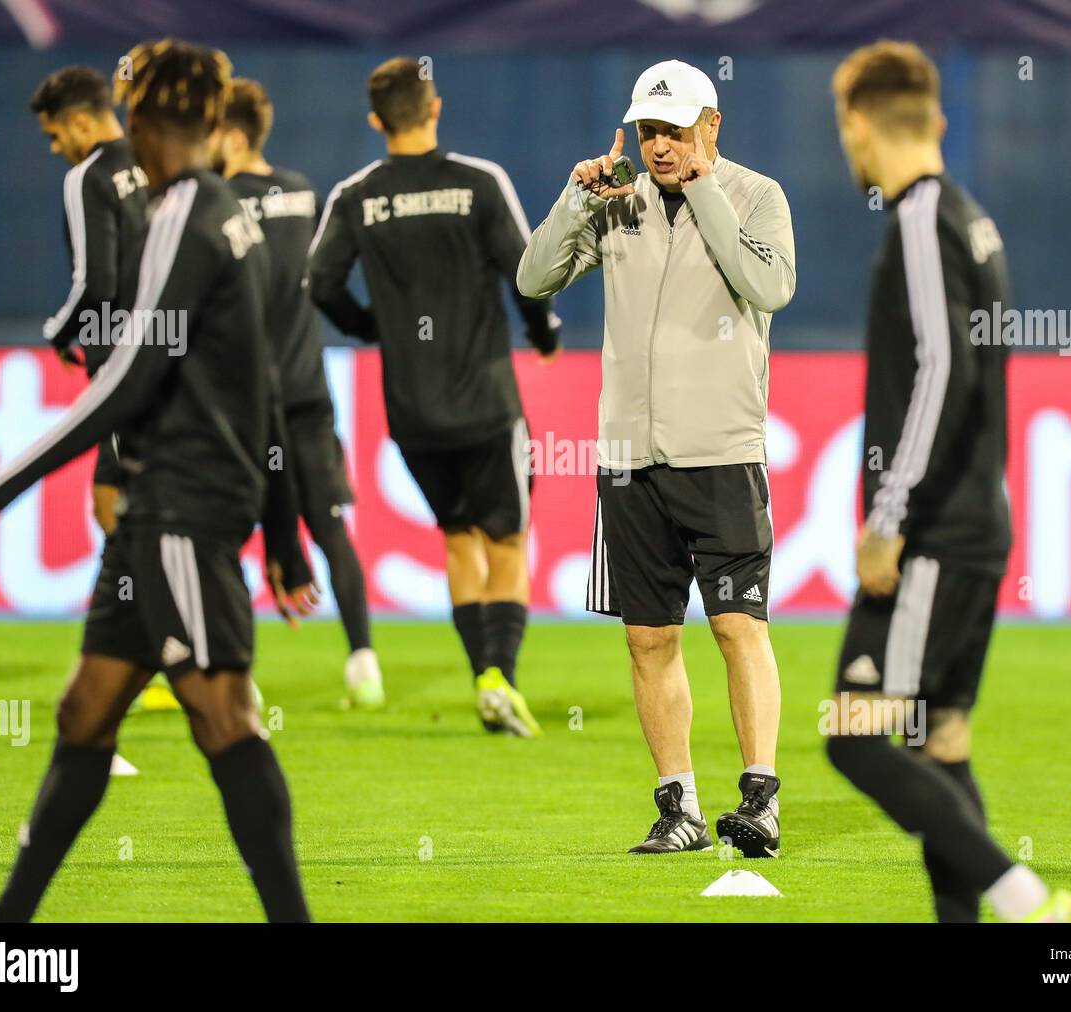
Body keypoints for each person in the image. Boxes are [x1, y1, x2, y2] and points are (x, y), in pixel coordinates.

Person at [0, 38, 318, 922]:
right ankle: (5, 929)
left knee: (223, 715)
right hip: (160, 509)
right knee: (87, 711)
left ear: (146, 126)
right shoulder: (224, 214)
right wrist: (286, 535)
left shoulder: (183, 215)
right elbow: (263, 386)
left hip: (183, 508)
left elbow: (126, 382)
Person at [824, 39, 1071, 922]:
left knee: (856, 737)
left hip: (934, 529)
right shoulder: (973, 217)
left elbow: (940, 369)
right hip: (978, 518)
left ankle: (1028, 902)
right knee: (939, 743)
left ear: (859, 121)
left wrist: (889, 516)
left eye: (845, 125)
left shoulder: (919, 218)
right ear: (934, 116)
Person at [518, 60, 796, 855]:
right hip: (630, 460)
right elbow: (533, 278)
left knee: (739, 627)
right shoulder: (618, 204)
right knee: (648, 639)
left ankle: (761, 797)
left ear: (712, 124)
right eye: (648, 130)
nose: (660, 145)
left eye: (674, 129)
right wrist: (576, 201)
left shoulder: (757, 196)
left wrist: (705, 188)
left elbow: (769, 288)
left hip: (722, 454)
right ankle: (679, 808)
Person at [309, 56, 561, 736]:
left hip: (412, 410)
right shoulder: (478, 183)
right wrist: (544, 333)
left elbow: (319, 281)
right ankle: (497, 677)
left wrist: (373, 328)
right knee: (506, 540)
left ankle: (483, 675)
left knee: (457, 539)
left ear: (375, 120)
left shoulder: (357, 194)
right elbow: (528, 273)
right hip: (485, 401)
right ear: (436, 107)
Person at [211, 77, 385, 709]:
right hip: (308, 391)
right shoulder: (303, 194)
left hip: (242, 403)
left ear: (229, 134)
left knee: (226, 535)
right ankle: (364, 660)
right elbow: (322, 280)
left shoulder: (212, 202)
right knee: (332, 527)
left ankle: (236, 673)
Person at [31, 65, 180, 720]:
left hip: (126, 366)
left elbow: (99, 278)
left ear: (83, 121)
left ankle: (164, 649)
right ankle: (168, 645)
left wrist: (60, 332)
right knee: (145, 502)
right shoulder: (161, 164)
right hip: (181, 355)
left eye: (56, 131)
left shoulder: (87, 177)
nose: (56, 145)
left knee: (117, 503)